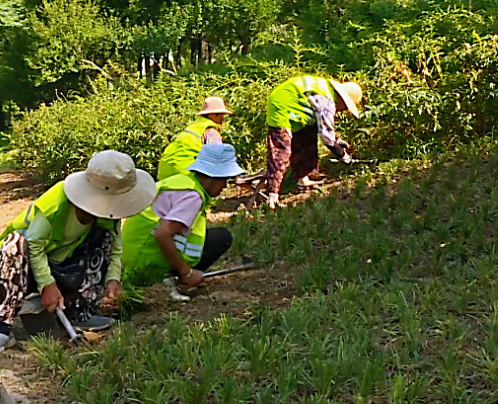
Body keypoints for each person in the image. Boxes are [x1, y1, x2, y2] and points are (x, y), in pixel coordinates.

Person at [0, 150, 156, 354]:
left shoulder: (108, 213)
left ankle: (78, 311)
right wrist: (47, 285)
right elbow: (33, 245)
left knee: (104, 239)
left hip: (65, 267)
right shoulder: (56, 204)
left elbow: (115, 248)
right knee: (15, 243)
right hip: (26, 270)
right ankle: (2, 329)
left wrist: (113, 280)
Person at [123, 143, 246, 289]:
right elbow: (162, 234)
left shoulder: (183, 182)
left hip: (134, 255)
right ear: (213, 177)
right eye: (224, 180)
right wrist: (186, 272)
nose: (225, 186)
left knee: (216, 236)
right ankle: (173, 278)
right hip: (145, 262)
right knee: (222, 238)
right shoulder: (192, 196)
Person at [265, 75, 362, 209]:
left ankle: (303, 179)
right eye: (345, 108)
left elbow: (323, 127)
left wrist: (337, 140)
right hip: (280, 106)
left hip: (294, 108)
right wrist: (343, 156)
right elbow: (326, 138)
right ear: (342, 100)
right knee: (281, 151)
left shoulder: (324, 90)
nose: (342, 111)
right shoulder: (327, 102)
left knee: (308, 136)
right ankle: (272, 197)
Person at [156, 97, 232, 181]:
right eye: (221, 115)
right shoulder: (211, 131)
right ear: (212, 114)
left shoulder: (193, 127)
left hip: (164, 173)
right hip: (185, 174)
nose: (223, 119)